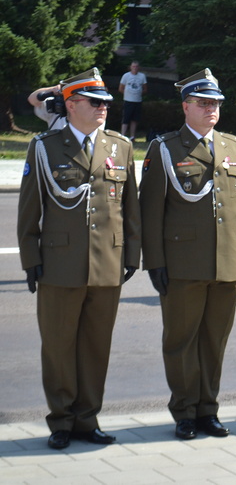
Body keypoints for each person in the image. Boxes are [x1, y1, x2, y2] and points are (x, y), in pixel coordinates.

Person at [18, 67, 141, 449]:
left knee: (95, 346)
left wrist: (132, 254)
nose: (104, 108)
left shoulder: (120, 147)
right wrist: (30, 259)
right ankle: (61, 420)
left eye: (106, 102)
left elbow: (130, 207)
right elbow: (28, 210)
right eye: (95, 102)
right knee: (58, 347)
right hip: (59, 264)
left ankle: (87, 420)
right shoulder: (45, 146)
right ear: (71, 105)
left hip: (107, 263)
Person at [139, 68, 236, 440]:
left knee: (214, 340)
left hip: (226, 261)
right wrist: (155, 262)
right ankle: (184, 411)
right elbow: (150, 212)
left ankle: (208, 409)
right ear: (185, 106)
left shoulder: (234, 147)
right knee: (181, 341)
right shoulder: (165, 148)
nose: (211, 109)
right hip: (182, 265)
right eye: (203, 103)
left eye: (216, 103)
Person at [118, 61, 147, 140]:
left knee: (135, 119)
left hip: (137, 101)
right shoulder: (126, 76)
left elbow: (145, 88)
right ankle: (123, 135)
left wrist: (138, 94)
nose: (135, 68)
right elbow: (121, 88)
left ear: (139, 68)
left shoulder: (142, 76)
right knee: (126, 118)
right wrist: (128, 94)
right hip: (128, 100)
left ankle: (132, 136)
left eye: (136, 66)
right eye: (133, 66)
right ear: (130, 67)